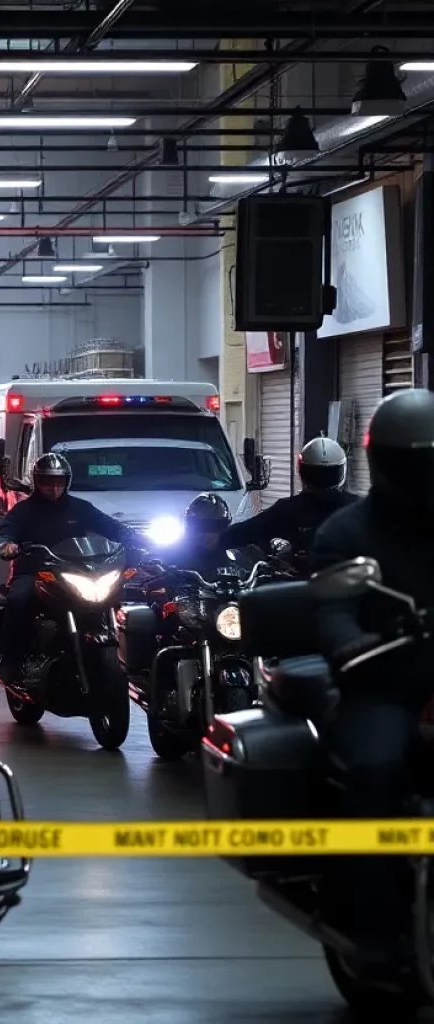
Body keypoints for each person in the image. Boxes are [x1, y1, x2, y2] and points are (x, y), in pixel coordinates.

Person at [310, 388, 434, 966]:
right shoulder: (347, 532)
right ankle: (373, 922)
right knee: (377, 767)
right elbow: (331, 605)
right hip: (383, 684)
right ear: (383, 459)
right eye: (413, 461)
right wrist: (349, 640)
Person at [0, 452, 141, 686]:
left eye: (58, 482)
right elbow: (6, 531)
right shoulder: (24, 510)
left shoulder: (80, 508)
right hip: (36, 571)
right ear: (37, 481)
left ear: (67, 482)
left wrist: (136, 538)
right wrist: (7, 544)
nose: (53, 488)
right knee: (19, 599)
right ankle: (11, 661)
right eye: (47, 482)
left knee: (117, 593)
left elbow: (110, 526)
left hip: (77, 571)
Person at [220, 436, 357, 567]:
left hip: (302, 587)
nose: (322, 479)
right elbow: (250, 529)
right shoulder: (358, 507)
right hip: (349, 585)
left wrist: (216, 538)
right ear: (342, 471)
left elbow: (249, 529)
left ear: (301, 470)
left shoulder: (289, 509)